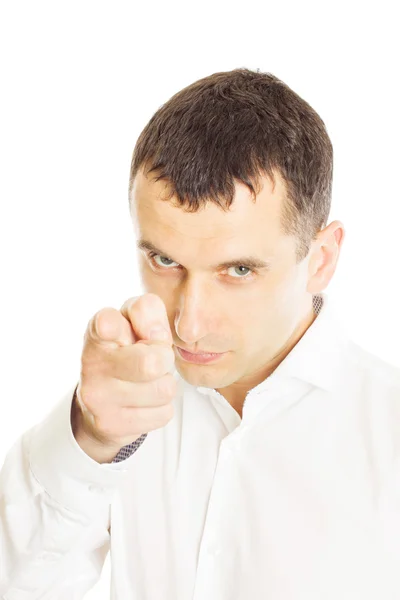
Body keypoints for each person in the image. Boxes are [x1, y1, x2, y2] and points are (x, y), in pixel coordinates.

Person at [1, 68, 399, 599]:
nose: (187, 324)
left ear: (320, 259)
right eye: (165, 260)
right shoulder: (122, 409)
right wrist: (89, 440)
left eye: (239, 271)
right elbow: (20, 581)